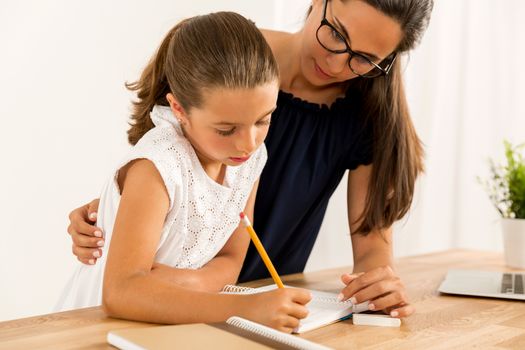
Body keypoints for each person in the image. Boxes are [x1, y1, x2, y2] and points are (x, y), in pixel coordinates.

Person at [67, 0, 433, 318]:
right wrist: (112, 209)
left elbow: (372, 248)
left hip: (264, 303)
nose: (337, 64)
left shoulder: (367, 116)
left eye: (366, 59)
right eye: (336, 33)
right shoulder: (225, 59)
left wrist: (379, 285)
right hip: (167, 301)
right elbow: (166, 164)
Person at [56, 12, 312, 333]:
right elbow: (120, 293)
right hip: (97, 328)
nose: (248, 143)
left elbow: (231, 260)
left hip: (173, 323)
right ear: (179, 109)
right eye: (226, 128)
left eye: (263, 120)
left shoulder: (251, 158)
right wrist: (243, 308)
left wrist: (184, 281)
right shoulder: (158, 164)